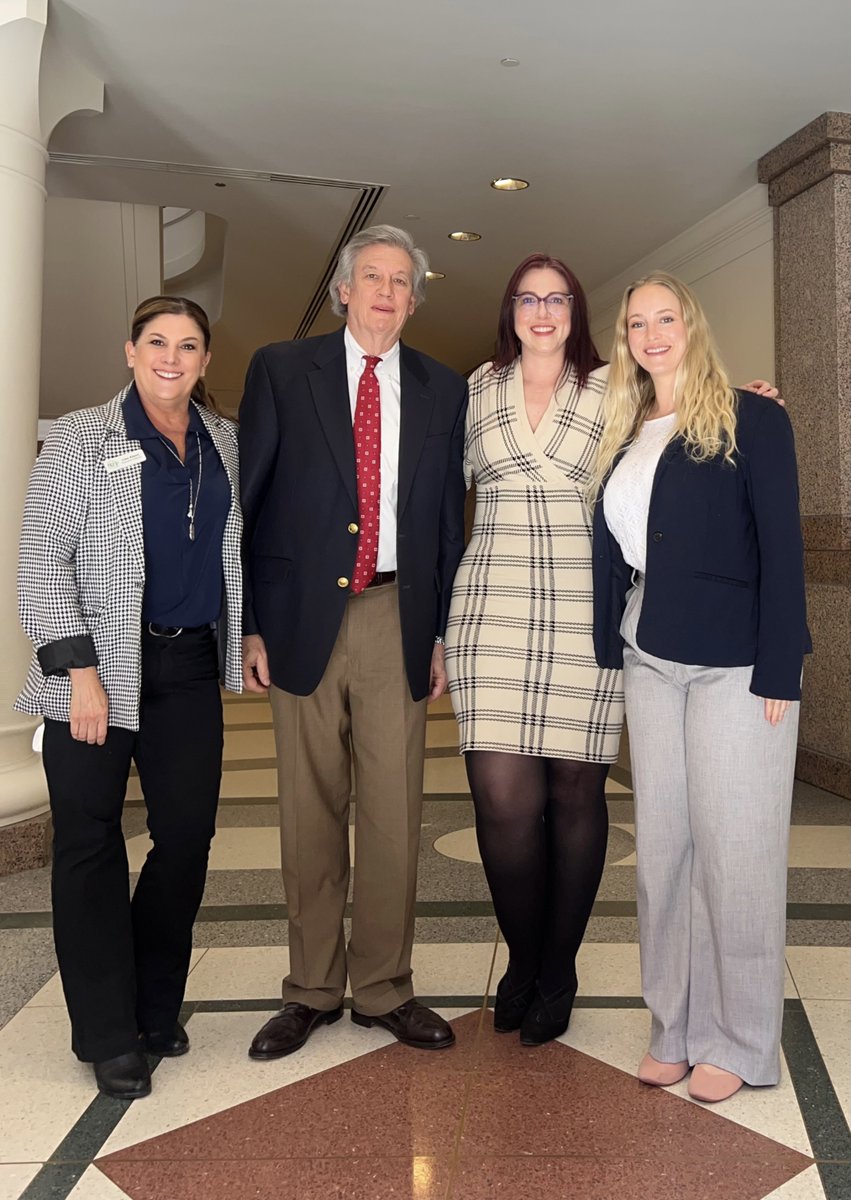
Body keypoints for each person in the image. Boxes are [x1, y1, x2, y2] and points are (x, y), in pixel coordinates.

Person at [240, 225, 467, 1057]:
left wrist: (437, 630)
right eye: (370, 276)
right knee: (307, 810)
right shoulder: (278, 370)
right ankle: (309, 989)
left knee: (393, 812)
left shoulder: (442, 388)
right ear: (343, 289)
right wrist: (253, 622)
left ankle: (382, 988)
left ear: (414, 297)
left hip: (396, 612)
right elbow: (252, 503)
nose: (384, 291)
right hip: (301, 615)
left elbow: (446, 523)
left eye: (400, 280)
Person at [16, 296, 243, 1100]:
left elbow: (234, 552)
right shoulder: (82, 436)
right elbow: (41, 557)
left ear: (206, 359)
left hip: (186, 670)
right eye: (157, 342)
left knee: (186, 839)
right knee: (89, 844)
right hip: (98, 668)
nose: (171, 357)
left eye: (188, 345)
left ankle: (154, 1005)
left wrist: (245, 633)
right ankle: (108, 1033)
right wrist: (78, 673)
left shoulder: (224, 444)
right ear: (130, 351)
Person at [590, 272, 809, 1102]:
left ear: (692, 325)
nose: (651, 333)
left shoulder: (753, 416)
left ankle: (742, 1040)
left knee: (738, 855)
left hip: (736, 661)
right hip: (650, 653)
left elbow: (782, 547)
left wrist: (780, 663)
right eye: (636, 322)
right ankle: (673, 1027)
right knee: (665, 858)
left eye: (664, 318)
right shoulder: (626, 428)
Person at [444, 255, 620, 1045]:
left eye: (557, 299)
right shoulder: (474, 387)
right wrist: (435, 629)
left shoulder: (617, 384)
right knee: (504, 802)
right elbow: (435, 501)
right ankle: (523, 958)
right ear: (510, 309)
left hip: (587, 607)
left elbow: (683, 438)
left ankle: (558, 969)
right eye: (527, 298)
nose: (542, 311)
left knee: (577, 796)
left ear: (575, 310)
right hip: (491, 606)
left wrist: (753, 405)